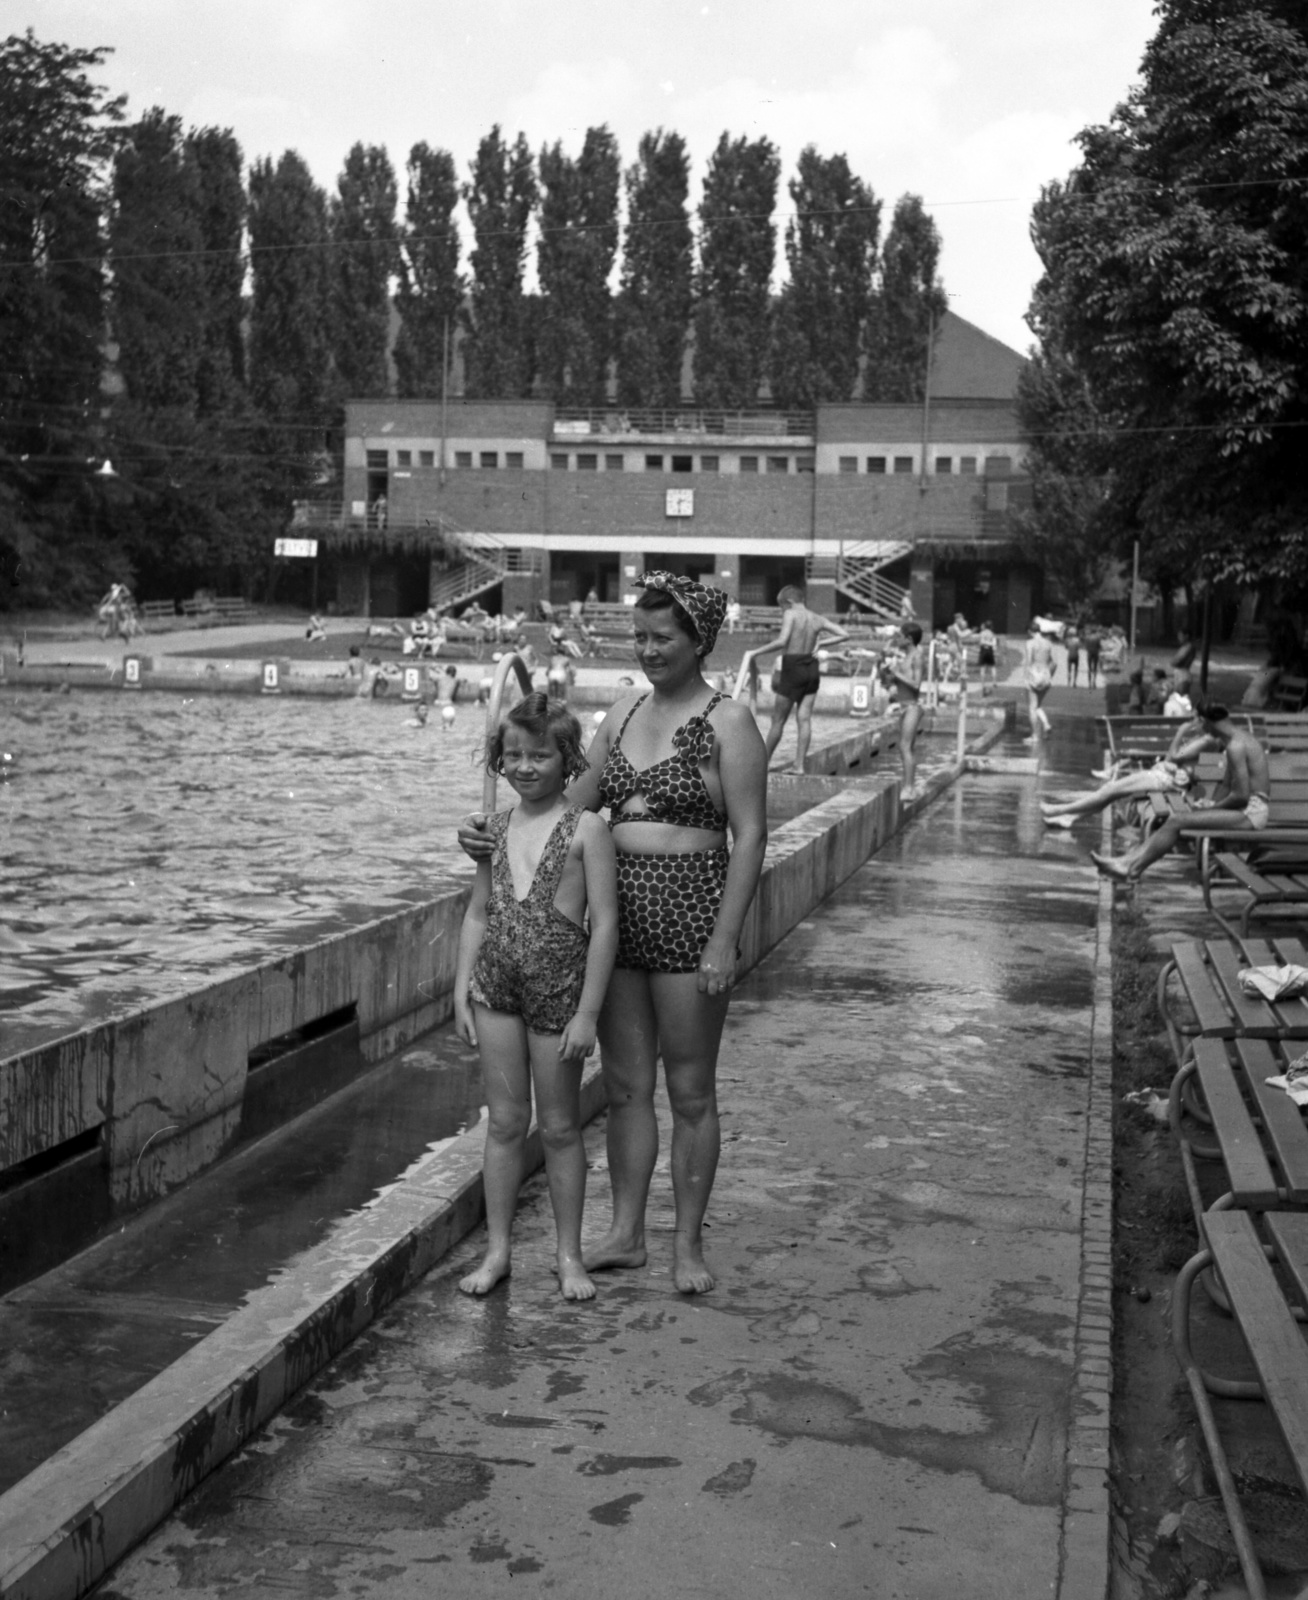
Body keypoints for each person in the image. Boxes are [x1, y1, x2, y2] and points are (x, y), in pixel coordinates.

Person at [458, 572, 767, 1294]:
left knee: (691, 1090)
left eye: (664, 638)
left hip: (692, 913)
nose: (649, 650)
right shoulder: (623, 713)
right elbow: (565, 803)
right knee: (627, 1087)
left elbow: (750, 837)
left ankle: (686, 1245)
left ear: (701, 642)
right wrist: (491, 832)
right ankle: (628, 1234)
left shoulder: (731, 722)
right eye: (641, 637)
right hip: (615, 917)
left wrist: (725, 937)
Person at [453, 694, 619, 1300]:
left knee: (558, 1128)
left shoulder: (587, 829)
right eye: (513, 756)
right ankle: (497, 1251)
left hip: (557, 997)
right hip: (495, 988)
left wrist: (588, 1014)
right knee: (503, 1124)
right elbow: (477, 914)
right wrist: (459, 989)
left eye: (540, 755)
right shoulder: (492, 832)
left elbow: (604, 925)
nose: (525, 767)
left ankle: (568, 1254)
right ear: (499, 759)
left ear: (567, 758)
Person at [1091, 702, 1270, 881]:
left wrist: (1209, 810)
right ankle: (1124, 862)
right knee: (1176, 819)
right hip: (1246, 811)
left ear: (1206, 721)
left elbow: (1241, 796)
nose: (1200, 729)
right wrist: (1210, 803)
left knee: (1176, 821)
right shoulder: (1238, 739)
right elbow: (1226, 786)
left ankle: (1132, 870)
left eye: (1199, 722)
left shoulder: (1235, 746)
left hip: (1251, 814)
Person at [742, 584, 850, 773]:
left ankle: (762, 764)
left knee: (778, 719)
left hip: (793, 667)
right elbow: (844, 634)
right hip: (812, 667)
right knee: (804, 718)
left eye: (781, 606)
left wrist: (755, 652)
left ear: (789, 602)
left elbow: (782, 641)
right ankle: (799, 765)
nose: (781, 611)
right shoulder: (817, 618)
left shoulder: (791, 614)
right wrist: (821, 642)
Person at [1040, 717, 1215, 827]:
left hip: (1168, 782)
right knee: (1110, 793)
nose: (1193, 720)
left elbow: (1173, 758)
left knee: (1109, 791)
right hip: (1166, 778)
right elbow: (1173, 760)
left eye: (1197, 717)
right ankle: (1070, 817)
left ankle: (1060, 810)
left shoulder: (1205, 740)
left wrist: (1181, 731)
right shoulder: (1201, 739)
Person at [884, 620, 925, 799]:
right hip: (902, 705)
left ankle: (908, 788)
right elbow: (898, 683)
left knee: (904, 746)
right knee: (908, 748)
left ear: (909, 639)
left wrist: (897, 675)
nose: (898, 639)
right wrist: (889, 679)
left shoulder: (917, 656)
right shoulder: (906, 656)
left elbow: (916, 684)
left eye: (900, 636)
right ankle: (909, 785)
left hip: (912, 707)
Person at [1024, 622, 1056, 740]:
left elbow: (1028, 661)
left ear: (1029, 631)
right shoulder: (1048, 643)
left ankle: (1035, 735)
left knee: (1032, 706)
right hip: (1045, 674)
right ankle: (1046, 724)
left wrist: (1026, 677)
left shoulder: (1030, 643)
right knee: (1038, 705)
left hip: (1034, 673)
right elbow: (1055, 662)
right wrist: (1050, 674)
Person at [976, 622, 998, 690]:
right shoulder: (992, 633)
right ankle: (994, 682)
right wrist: (990, 644)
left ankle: (982, 684)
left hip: (983, 651)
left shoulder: (982, 633)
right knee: (993, 667)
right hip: (990, 651)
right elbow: (994, 644)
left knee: (983, 668)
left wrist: (985, 643)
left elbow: (981, 642)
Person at [1083, 624, 1102, 690]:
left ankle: (1089, 684)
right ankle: (1094, 682)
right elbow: (1100, 646)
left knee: (1089, 668)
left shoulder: (1087, 637)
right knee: (1095, 668)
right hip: (1096, 653)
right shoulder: (1097, 637)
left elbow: (1086, 647)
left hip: (1089, 654)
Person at [1064, 620, 1080, 687]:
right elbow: (1078, 647)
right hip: (1076, 655)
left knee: (1069, 669)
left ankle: (1068, 683)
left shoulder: (1067, 639)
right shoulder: (1077, 640)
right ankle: (1074, 682)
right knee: (1076, 669)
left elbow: (1066, 647)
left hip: (1070, 655)